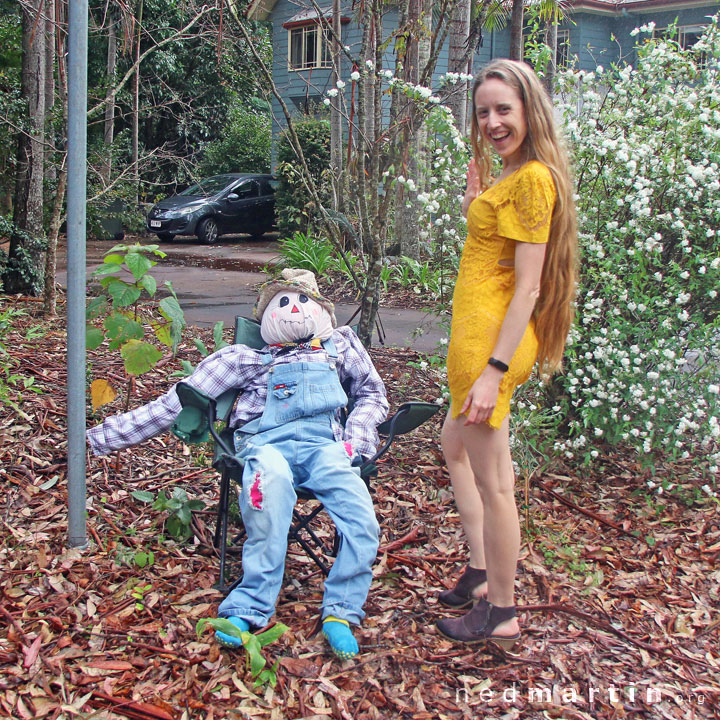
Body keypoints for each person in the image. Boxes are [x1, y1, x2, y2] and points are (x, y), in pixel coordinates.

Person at [87, 268, 389, 660]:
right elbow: (173, 403)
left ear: (323, 314)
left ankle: (342, 611)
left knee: (361, 517)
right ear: (264, 319)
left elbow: (373, 394)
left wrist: (357, 440)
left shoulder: (342, 347)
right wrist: (100, 439)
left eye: (302, 301)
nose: (294, 309)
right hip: (266, 447)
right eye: (282, 302)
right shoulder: (243, 359)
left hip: (327, 448)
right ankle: (249, 605)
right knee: (268, 496)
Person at [436, 59, 577, 648]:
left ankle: (502, 609)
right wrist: (476, 209)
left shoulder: (532, 180)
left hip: (488, 349)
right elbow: (495, 251)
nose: (493, 121)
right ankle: (479, 570)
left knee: (496, 486)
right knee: (453, 447)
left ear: (529, 111)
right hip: (481, 342)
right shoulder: (512, 176)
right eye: (484, 111)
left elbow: (528, 285)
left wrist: (493, 371)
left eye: (504, 110)